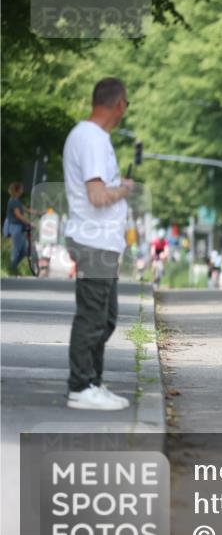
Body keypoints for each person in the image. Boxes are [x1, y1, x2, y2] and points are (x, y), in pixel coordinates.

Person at [62, 77, 134, 411]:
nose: (125, 111)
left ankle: (93, 382)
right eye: (127, 104)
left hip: (102, 241)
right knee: (92, 318)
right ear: (118, 104)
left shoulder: (93, 137)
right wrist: (124, 189)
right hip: (93, 240)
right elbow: (97, 194)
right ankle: (80, 387)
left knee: (105, 318)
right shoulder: (91, 139)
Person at [5, 181, 33, 274]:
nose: (22, 190)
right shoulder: (13, 201)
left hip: (20, 228)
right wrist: (30, 223)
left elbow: (26, 209)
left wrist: (41, 212)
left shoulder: (17, 201)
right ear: (17, 190)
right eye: (21, 188)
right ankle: (11, 268)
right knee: (17, 249)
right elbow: (18, 216)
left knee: (25, 250)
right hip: (15, 228)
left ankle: (13, 267)